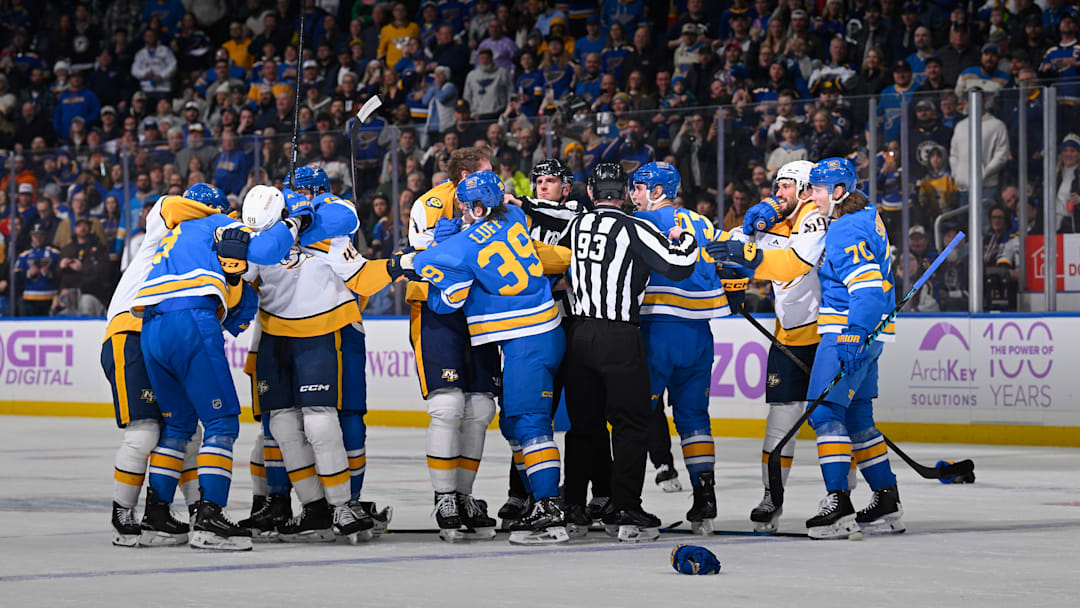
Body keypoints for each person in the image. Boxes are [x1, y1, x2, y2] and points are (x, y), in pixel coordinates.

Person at [130, 184, 306, 550]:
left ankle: (155, 516)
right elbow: (265, 249)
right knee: (222, 421)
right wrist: (294, 222)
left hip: (150, 327)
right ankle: (209, 517)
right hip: (189, 319)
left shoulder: (174, 229)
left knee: (177, 425)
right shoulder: (217, 223)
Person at [240, 166, 405, 544]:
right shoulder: (257, 234)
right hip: (273, 338)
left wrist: (401, 264)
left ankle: (345, 505)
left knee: (321, 421)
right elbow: (242, 285)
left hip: (322, 333)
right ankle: (312, 507)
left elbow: (359, 267)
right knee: (279, 426)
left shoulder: (327, 229)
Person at [413, 169, 572, 545]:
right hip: (540, 334)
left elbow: (427, 270)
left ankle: (550, 509)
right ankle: (539, 501)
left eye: (468, 208)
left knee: (530, 424)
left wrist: (442, 242)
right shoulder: (514, 216)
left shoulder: (464, 244)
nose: (463, 213)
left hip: (527, 341)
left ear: (481, 208)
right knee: (515, 426)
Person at [562, 163, 699, 543]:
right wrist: (682, 236)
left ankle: (573, 506)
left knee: (583, 426)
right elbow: (679, 265)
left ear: (590, 193)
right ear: (623, 194)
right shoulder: (634, 227)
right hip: (620, 336)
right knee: (631, 424)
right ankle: (624, 509)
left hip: (578, 334)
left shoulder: (574, 226)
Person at [706, 160, 841, 533]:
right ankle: (772, 496)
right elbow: (728, 245)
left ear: (804, 189)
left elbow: (794, 264)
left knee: (835, 420)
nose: (775, 193)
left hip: (826, 335)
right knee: (780, 421)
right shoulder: (777, 219)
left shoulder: (816, 218)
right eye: (775, 186)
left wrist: (748, 253)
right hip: (788, 336)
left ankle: (841, 494)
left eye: (785, 186)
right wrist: (732, 251)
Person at [101, 184, 229, 547]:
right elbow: (167, 204)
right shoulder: (167, 227)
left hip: (160, 334)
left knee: (186, 431)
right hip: (129, 331)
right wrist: (220, 220)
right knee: (144, 433)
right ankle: (123, 513)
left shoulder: (198, 247)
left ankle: (191, 511)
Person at [499, 159, 609, 531]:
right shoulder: (522, 219)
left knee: (586, 415)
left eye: (551, 181)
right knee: (529, 416)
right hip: (533, 327)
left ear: (567, 186)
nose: (543, 187)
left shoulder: (579, 212)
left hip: (573, 327)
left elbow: (570, 267)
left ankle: (594, 494)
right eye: (539, 181)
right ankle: (524, 493)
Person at [803, 158, 903, 539]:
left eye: (817, 189)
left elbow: (867, 289)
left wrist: (854, 332)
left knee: (825, 411)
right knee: (858, 417)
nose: (812, 198)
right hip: (871, 333)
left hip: (846, 331)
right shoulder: (867, 215)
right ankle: (886, 500)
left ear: (838, 191)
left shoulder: (845, 228)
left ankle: (838, 503)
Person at [406, 148, 502, 542]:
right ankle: (444, 497)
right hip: (438, 309)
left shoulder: (494, 202)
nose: (495, 178)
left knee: (480, 407)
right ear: (464, 175)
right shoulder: (429, 202)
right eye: (487, 172)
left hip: (480, 309)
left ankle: (464, 496)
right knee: (447, 405)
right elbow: (425, 251)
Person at [630, 162, 729, 534]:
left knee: (636, 418)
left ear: (657, 191)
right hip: (699, 335)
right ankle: (705, 500)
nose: (633, 195)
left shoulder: (642, 223)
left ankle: (629, 504)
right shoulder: (700, 221)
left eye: (639, 188)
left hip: (657, 331)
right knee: (694, 419)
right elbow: (727, 258)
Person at [14, 223, 62, 316]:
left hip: (50, 297)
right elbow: (15, 276)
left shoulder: (55, 252)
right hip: (29, 298)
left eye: (41, 235)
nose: (38, 238)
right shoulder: (24, 254)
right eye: (35, 235)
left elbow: (62, 274)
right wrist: (29, 273)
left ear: (45, 236)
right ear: (31, 236)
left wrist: (49, 273)